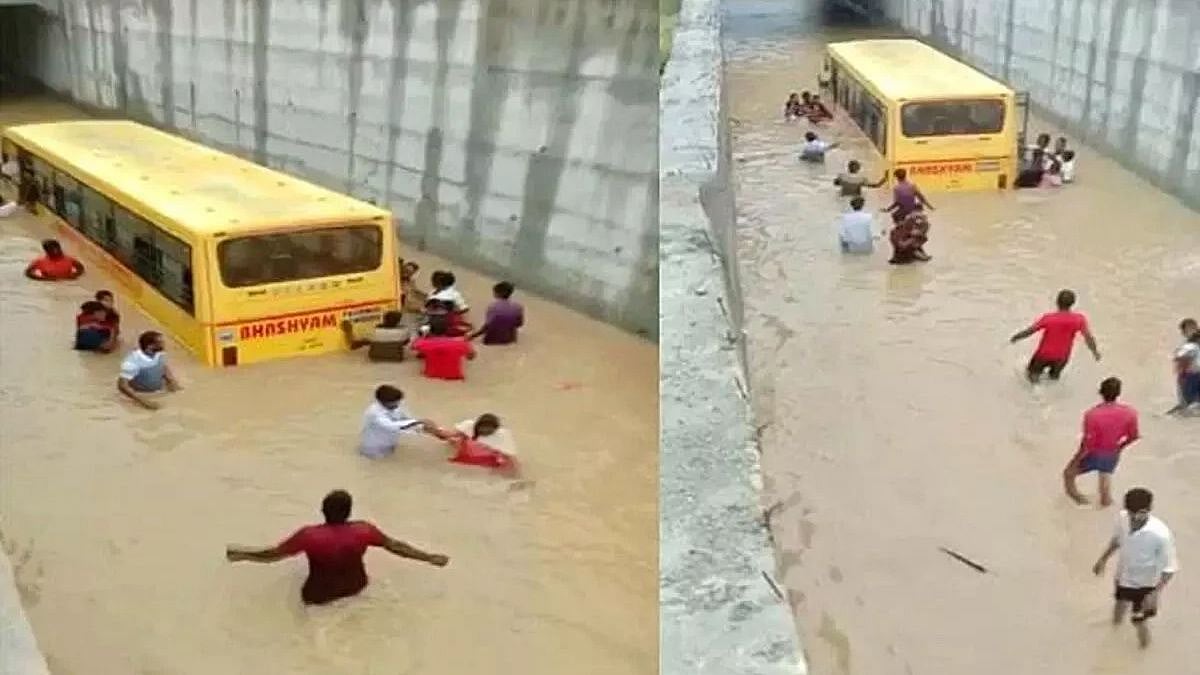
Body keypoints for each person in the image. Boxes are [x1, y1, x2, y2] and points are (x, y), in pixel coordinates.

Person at [225, 489, 449, 605]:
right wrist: (429, 557)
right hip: (356, 588)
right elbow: (396, 546)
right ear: (349, 512)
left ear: (323, 510)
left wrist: (241, 554)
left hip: (318, 595)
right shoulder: (364, 530)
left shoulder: (309, 536)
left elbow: (272, 555)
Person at [1091, 488, 1179, 648]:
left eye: (1137, 514)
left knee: (1139, 622)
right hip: (1123, 577)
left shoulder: (1161, 534)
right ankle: (1114, 632)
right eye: (1130, 512)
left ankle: (1143, 651)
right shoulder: (1122, 518)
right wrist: (1103, 559)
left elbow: (1170, 569)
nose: (1132, 518)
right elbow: (1117, 540)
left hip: (1145, 586)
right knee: (1119, 604)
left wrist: (1155, 593)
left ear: (1147, 511)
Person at [1063, 377, 1140, 506]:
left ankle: (1080, 502)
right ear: (1118, 393)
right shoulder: (1130, 413)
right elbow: (1134, 436)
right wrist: (1120, 447)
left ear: (1100, 392)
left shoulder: (1092, 414)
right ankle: (1106, 505)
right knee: (1105, 477)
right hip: (1112, 452)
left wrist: (1076, 459)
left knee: (1068, 474)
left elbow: (1088, 443)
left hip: (1094, 453)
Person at [1009, 289, 1101, 382]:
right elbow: (1088, 338)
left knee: (1031, 376)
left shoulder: (1049, 318)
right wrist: (1095, 352)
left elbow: (1030, 331)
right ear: (1073, 303)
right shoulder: (1079, 319)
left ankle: (1034, 394)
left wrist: (1015, 337)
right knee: (1053, 380)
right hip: (1062, 357)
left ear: (1057, 301)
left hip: (1043, 354)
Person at [427, 413, 518, 471]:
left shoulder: (502, 435)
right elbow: (450, 435)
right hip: (468, 450)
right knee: (452, 440)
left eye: (488, 432)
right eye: (482, 430)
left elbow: (511, 458)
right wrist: (434, 430)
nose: (484, 433)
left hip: (488, 457)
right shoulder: (469, 425)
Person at [357, 384, 429, 458]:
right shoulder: (374, 413)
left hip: (390, 443)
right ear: (382, 402)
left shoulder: (397, 406)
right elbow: (391, 426)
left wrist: (423, 426)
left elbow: (407, 419)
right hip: (373, 449)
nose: (397, 404)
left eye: (398, 401)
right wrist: (418, 422)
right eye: (394, 402)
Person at [117, 330, 181, 410]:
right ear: (150, 346)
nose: (164, 344)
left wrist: (173, 383)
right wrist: (144, 402)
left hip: (160, 393)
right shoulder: (133, 361)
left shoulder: (159, 354)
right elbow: (122, 386)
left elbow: (163, 367)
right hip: (141, 397)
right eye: (160, 342)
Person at [411, 315, 475, 380]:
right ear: (447, 329)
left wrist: (423, 336)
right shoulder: (461, 343)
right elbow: (471, 357)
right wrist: (466, 342)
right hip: (454, 377)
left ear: (430, 330)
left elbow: (412, 347)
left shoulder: (423, 343)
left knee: (421, 356)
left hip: (431, 376)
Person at [469, 281, 524, 345]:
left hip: (492, 340)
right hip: (510, 339)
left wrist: (473, 336)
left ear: (497, 293)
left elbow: (487, 326)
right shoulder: (518, 307)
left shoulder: (492, 307)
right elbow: (519, 324)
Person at [342, 310, 410, 362]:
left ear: (384, 320)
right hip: (396, 359)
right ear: (398, 322)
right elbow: (406, 342)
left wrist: (348, 330)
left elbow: (352, 346)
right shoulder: (403, 332)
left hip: (374, 359)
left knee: (367, 341)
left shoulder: (373, 332)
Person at [1167, 317, 1200, 415]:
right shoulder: (1191, 343)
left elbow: (1178, 356)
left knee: (1188, 406)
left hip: (1191, 376)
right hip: (1191, 375)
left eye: (1183, 331)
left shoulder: (1190, 345)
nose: (1182, 334)